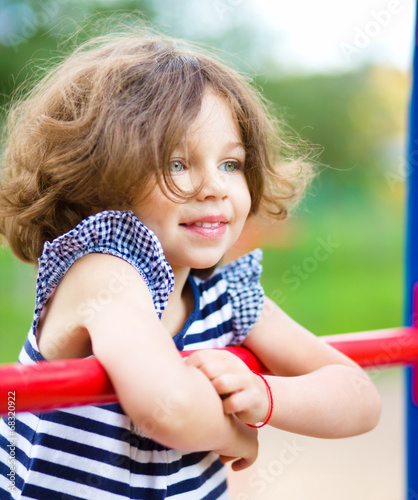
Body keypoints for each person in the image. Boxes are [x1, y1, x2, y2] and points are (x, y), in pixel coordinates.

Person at [0, 28, 381, 500]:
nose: (214, 188)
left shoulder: (226, 297)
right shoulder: (100, 275)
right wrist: (233, 435)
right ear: (103, 176)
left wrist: (267, 397)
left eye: (230, 164)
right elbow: (169, 406)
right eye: (178, 164)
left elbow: (360, 396)